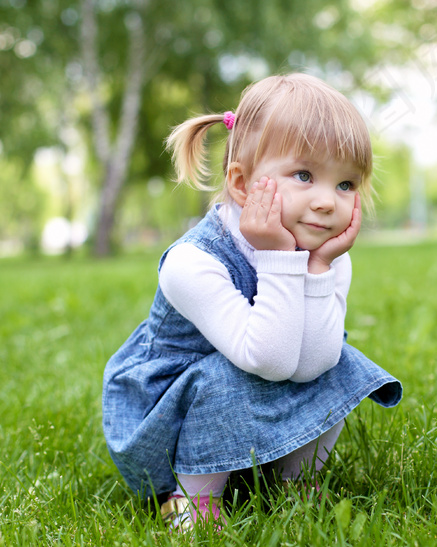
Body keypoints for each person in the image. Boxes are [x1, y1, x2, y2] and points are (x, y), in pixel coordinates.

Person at [102, 73, 402, 532]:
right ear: (242, 184)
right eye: (304, 175)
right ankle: (192, 499)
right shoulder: (192, 263)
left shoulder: (328, 258)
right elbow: (267, 359)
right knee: (224, 375)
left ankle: (297, 481)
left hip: (259, 384)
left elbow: (313, 365)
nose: (327, 202)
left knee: (341, 361)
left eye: (346, 184)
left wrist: (316, 269)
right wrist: (281, 259)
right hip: (166, 420)